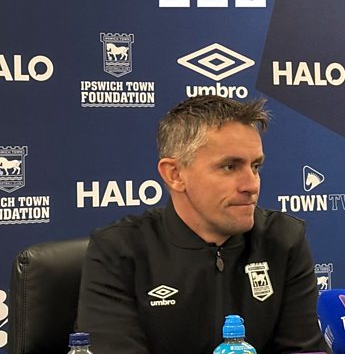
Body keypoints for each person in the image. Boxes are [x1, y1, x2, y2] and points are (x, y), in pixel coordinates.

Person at [77, 95, 329, 354]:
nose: (251, 185)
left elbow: (303, 350)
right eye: (230, 167)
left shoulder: (283, 239)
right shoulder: (118, 250)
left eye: (255, 166)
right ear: (175, 174)